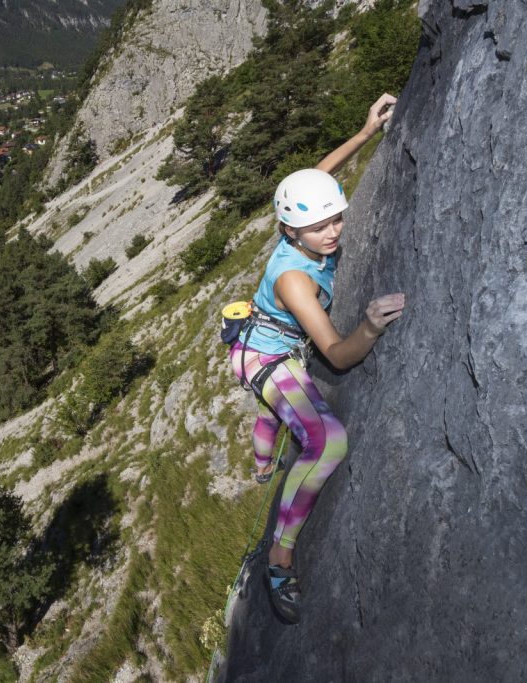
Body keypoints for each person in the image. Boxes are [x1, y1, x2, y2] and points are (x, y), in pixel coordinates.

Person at [229, 93, 404, 624]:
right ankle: (280, 555)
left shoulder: (295, 222)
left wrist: (365, 132)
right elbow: (335, 352)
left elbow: (315, 177)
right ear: (290, 232)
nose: (332, 231)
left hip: (260, 342)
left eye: (337, 218)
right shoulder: (295, 279)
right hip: (265, 357)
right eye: (319, 226)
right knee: (326, 439)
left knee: (272, 413)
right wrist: (370, 326)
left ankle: (262, 467)